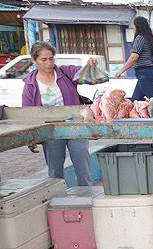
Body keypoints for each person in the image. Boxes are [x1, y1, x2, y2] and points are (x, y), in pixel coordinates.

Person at [22, 41, 95, 186]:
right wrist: (30, 138)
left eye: (51, 58)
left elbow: (85, 74)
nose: (48, 63)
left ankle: (87, 199)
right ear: (33, 60)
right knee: (55, 172)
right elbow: (27, 113)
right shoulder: (30, 85)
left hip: (76, 126)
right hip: (51, 131)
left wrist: (90, 65)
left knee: (83, 167)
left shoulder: (66, 72)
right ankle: (57, 200)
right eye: (43, 60)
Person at [116, 16, 153, 101]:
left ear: (137, 26)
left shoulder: (140, 38)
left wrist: (121, 70)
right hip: (148, 73)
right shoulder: (149, 38)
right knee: (135, 101)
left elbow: (133, 58)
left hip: (145, 74)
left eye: (134, 26)